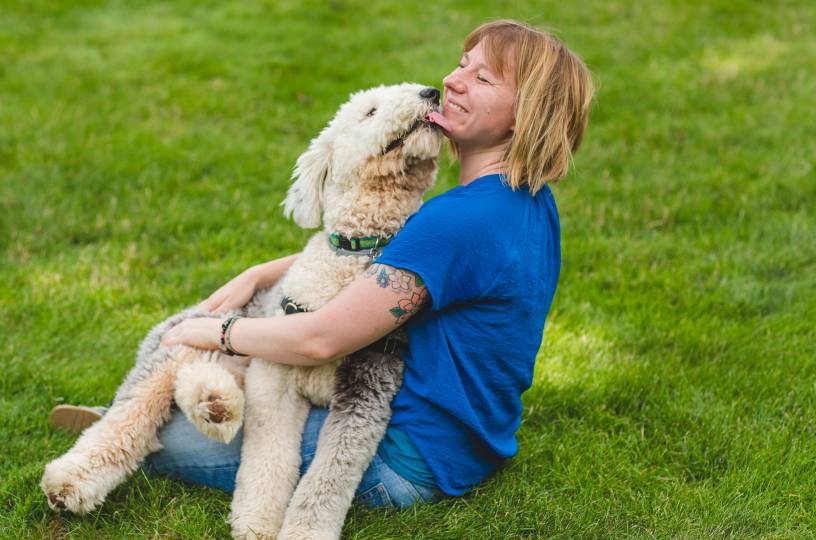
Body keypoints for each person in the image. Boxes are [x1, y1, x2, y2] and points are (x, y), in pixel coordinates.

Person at [51, 19, 594, 509]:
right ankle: (141, 411)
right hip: (472, 443)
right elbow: (392, 260)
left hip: (402, 459)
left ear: (528, 115)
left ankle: (133, 426)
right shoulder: (523, 201)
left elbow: (320, 340)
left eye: (484, 79)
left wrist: (215, 329)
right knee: (224, 388)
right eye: (462, 65)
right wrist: (262, 274)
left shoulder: (458, 221)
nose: (453, 81)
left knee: (168, 426)